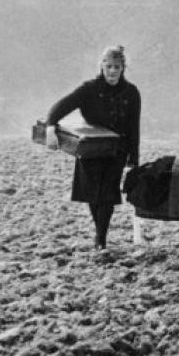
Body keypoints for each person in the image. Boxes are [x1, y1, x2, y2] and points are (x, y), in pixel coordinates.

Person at [45, 45, 141, 250]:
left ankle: (100, 238)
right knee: (92, 193)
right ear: (102, 66)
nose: (112, 71)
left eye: (117, 67)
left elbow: (134, 127)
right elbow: (60, 107)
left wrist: (134, 158)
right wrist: (50, 127)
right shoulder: (88, 89)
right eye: (109, 66)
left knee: (107, 194)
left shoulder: (132, 92)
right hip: (90, 148)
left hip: (117, 149)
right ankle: (100, 234)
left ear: (123, 68)